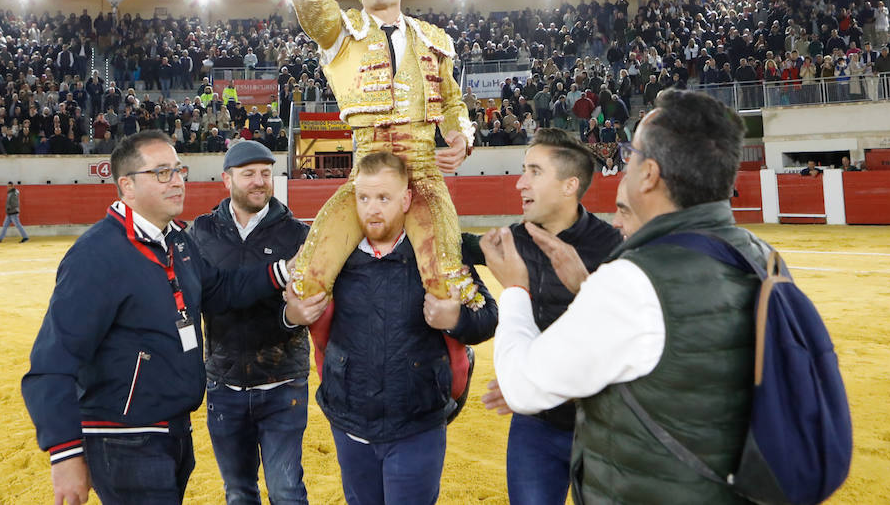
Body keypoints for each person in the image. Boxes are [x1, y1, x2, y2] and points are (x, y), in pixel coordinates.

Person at [482, 88, 767, 503]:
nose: (622, 164)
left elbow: (525, 385)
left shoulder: (635, 278)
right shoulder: (762, 257)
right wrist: (588, 290)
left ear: (649, 174)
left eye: (630, 154)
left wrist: (515, 289)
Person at [22, 130, 294, 505]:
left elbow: (221, 291)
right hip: (124, 438)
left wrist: (282, 271)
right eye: (162, 173)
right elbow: (52, 362)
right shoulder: (96, 255)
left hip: (173, 430)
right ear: (127, 186)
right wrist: (65, 453)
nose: (178, 181)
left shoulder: (179, 242)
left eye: (179, 170)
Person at [288, 0, 482, 310]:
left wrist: (458, 135)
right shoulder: (342, 31)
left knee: (449, 285)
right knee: (308, 278)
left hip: (424, 172)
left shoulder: (436, 39)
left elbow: (453, 103)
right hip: (367, 174)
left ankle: (454, 378)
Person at [296, 151, 496, 505]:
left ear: (406, 200)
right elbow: (294, 313)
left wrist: (456, 321)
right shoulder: (334, 258)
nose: (372, 208)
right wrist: (293, 313)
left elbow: (486, 318)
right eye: (364, 197)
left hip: (416, 424)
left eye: (384, 198)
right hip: (351, 422)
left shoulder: (437, 253)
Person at [463, 128, 622, 505]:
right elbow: (460, 245)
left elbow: (620, 350)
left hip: (602, 428)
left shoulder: (614, 249)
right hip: (535, 424)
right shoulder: (516, 239)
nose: (519, 183)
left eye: (534, 171)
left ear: (569, 186)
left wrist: (536, 384)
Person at [188, 140, 312, 505]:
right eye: (249, 175)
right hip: (224, 387)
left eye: (265, 173)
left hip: (282, 382)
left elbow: (310, 305)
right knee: (239, 492)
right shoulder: (202, 232)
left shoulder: (297, 235)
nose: (260, 182)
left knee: (286, 490)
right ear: (226, 180)